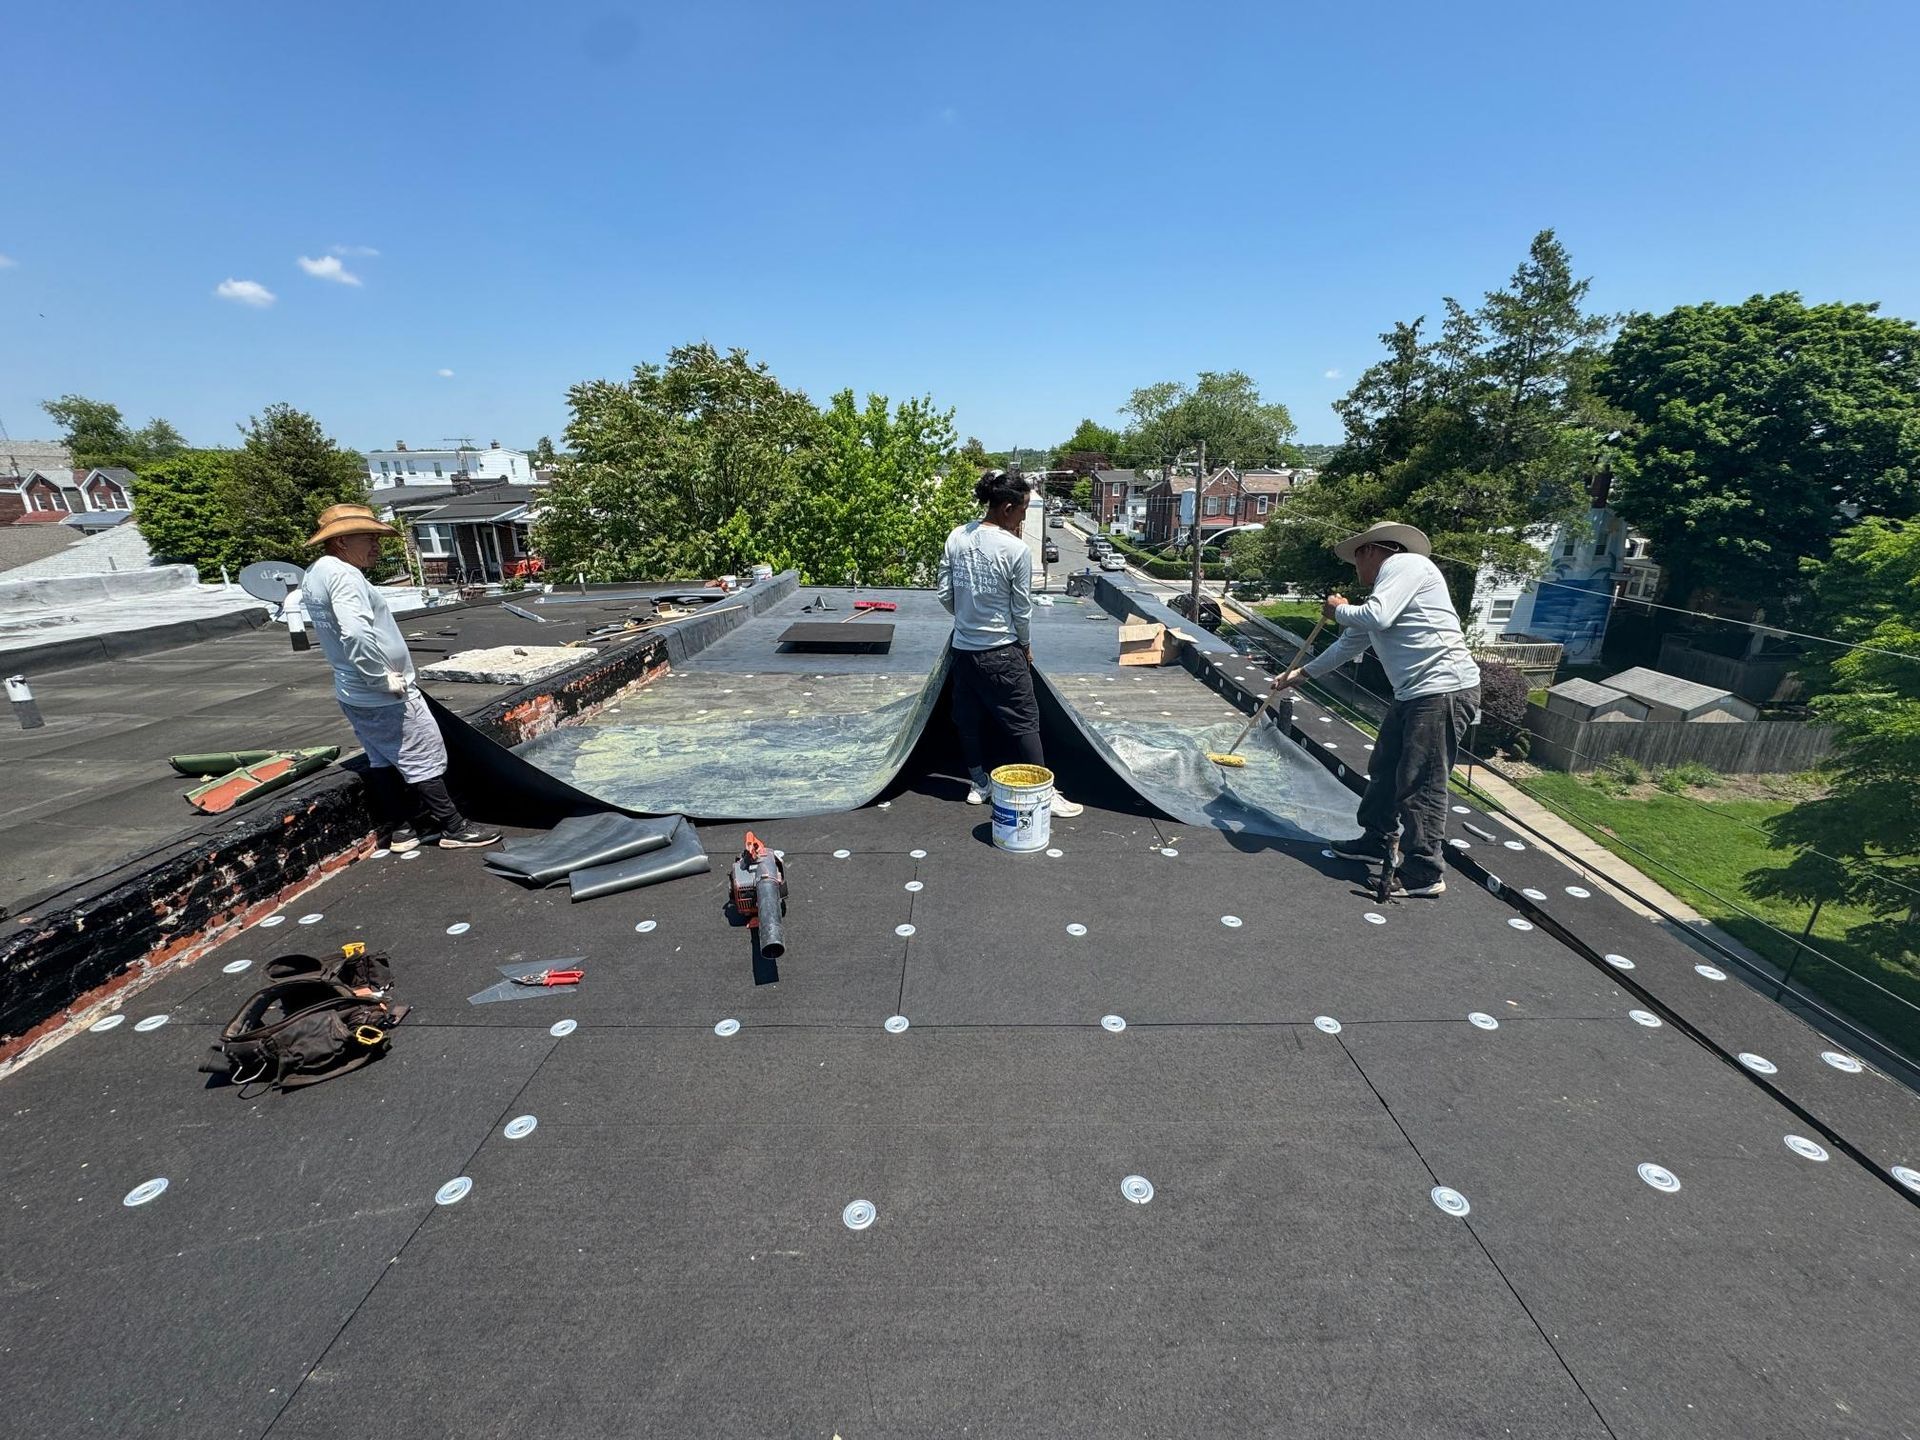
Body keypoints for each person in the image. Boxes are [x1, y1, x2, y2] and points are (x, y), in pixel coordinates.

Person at [1268, 521, 1479, 897]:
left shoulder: (1406, 565)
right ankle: (1377, 839)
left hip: (1442, 689)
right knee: (1384, 767)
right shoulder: (1390, 588)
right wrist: (1301, 674)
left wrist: (1339, 610)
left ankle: (1424, 871)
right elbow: (1349, 644)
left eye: (1356, 561)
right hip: (1415, 692)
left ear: (1370, 550)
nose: (1356, 571)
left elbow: (1376, 617)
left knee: (1421, 780)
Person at [299, 503, 501, 852]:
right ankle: (454, 828)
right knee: (423, 757)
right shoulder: (344, 575)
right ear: (342, 541)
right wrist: (380, 678)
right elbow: (355, 633)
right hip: (382, 691)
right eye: (369, 538)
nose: (377, 546)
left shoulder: (316, 572)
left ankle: (404, 830)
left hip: (352, 691)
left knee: (383, 759)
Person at [936, 472, 1083, 817]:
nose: (1023, 518)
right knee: (1025, 720)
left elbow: (944, 592)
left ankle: (979, 784)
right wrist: (1025, 645)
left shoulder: (957, 536)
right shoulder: (1016, 550)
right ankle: (1043, 795)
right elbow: (1021, 609)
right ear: (1007, 508)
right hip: (1002, 650)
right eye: (1023, 510)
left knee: (967, 718)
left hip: (963, 650)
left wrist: (966, 617)